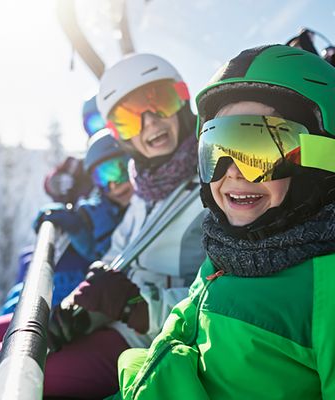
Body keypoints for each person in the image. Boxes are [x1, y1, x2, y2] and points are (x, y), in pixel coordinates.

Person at [112, 44, 335, 400]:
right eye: (216, 149)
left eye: (259, 149)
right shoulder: (224, 254)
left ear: (321, 157)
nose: (231, 172)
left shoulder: (325, 293)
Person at [43, 53, 206, 399]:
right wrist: (90, 303)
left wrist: (137, 306)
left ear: (181, 100)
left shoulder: (212, 182)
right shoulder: (146, 184)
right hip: (124, 322)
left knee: (39, 379)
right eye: (129, 119)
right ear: (119, 134)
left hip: (158, 335)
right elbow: (118, 252)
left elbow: (219, 290)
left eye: (159, 102)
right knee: (3, 352)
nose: (149, 123)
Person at [0, 130, 133, 400]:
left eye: (120, 170)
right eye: (104, 176)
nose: (114, 184)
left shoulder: (138, 205)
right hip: (90, 304)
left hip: (106, 313)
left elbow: (110, 250)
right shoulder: (106, 203)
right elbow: (78, 201)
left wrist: (80, 228)